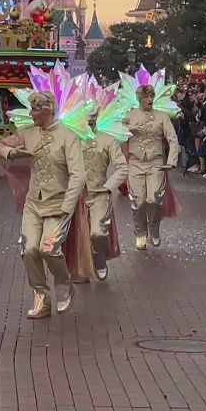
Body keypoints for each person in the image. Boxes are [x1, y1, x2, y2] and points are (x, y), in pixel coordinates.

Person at [0, 83, 88, 319]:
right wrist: (12, 153)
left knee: (50, 248)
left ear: (47, 110)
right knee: (29, 248)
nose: (31, 114)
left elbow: (79, 174)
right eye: (31, 109)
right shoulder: (27, 133)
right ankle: (41, 295)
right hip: (33, 202)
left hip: (58, 202)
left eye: (35, 110)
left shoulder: (68, 137)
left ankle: (64, 282)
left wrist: (68, 205)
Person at [121, 74, 180, 249]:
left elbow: (173, 139)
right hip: (135, 162)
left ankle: (154, 226)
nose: (149, 99)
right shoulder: (129, 116)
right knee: (138, 201)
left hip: (156, 162)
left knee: (154, 199)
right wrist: (130, 129)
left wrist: (172, 160)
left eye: (151, 96)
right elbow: (119, 136)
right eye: (146, 96)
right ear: (139, 99)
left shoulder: (162, 117)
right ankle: (140, 231)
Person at [84, 100, 129, 281]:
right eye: (86, 116)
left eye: (93, 115)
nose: (90, 119)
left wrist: (109, 187)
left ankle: (99, 256)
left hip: (98, 194)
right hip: (75, 196)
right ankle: (79, 268)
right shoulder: (71, 138)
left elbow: (122, 168)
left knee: (97, 232)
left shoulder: (107, 139)